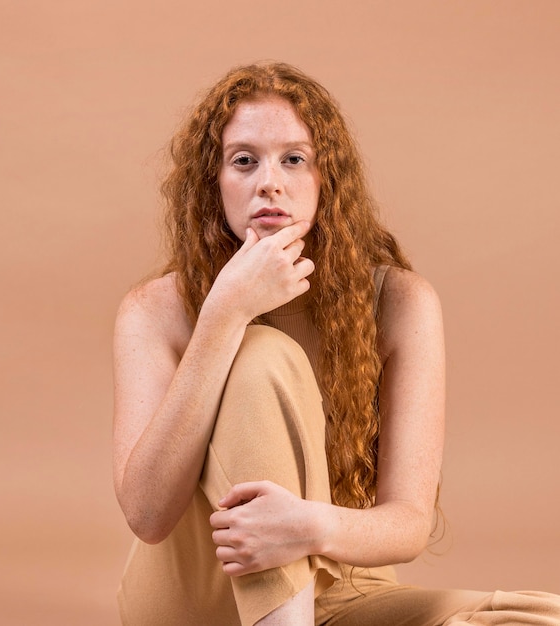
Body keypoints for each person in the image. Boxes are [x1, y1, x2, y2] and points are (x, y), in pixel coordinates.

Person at [112, 62, 560, 625]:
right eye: (243, 161)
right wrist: (224, 317)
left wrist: (305, 527)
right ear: (214, 183)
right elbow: (148, 515)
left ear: (327, 180)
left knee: (534, 620)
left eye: (294, 159)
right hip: (198, 600)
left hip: (339, 592)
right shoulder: (152, 310)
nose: (269, 182)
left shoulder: (401, 303)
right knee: (261, 353)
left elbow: (408, 522)